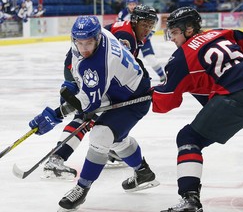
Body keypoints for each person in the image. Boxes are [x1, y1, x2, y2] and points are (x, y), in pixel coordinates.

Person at [151, 6, 243, 212]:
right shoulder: (220, 33)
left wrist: (152, 94)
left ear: (189, 29)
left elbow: (166, 102)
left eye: (175, 32)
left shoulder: (181, 57)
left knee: (189, 138)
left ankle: (190, 200)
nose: (172, 38)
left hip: (237, 98)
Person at [29, 15, 160, 211]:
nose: (84, 48)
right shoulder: (98, 36)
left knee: (101, 135)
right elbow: (72, 60)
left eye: (88, 43)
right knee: (116, 140)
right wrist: (71, 85)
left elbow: (88, 105)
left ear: (97, 38)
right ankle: (143, 172)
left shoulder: (99, 63)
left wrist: (56, 114)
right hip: (119, 87)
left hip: (133, 98)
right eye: (79, 42)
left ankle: (81, 189)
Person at [118, 0, 166, 82]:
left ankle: (162, 76)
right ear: (127, 5)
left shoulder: (144, 11)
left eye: (134, 4)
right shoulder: (122, 14)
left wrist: (148, 35)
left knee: (151, 58)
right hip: (130, 40)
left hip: (143, 41)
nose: (132, 6)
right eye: (130, 4)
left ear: (137, 4)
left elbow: (154, 21)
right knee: (127, 60)